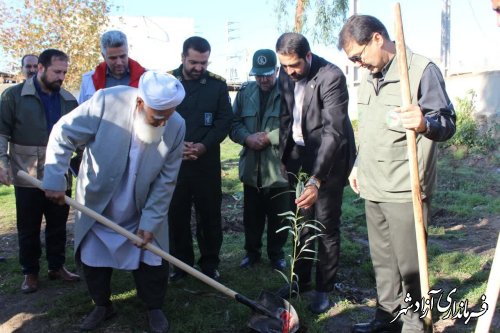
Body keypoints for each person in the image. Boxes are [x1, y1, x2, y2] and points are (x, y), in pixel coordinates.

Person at [42, 71, 186, 333]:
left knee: (151, 255)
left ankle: (154, 308)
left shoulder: (176, 124)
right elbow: (63, 132)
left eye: (169, 115)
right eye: (158, 117)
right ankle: (102, 305)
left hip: (143, 205)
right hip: (98, 203)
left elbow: (167, 179)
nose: (164, 123)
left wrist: (151, 220)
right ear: (140, 103)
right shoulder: (107, 102)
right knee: (93, 257)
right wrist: (54, 176)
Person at [338, 15, 456, 332]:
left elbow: (447, 124)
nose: (358, 64)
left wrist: (425, 123)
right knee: (383, 263)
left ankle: (415, 322)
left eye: (358, 56)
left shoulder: (419, 71)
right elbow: (371, 128)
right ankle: (387, 318)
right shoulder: (367, 78)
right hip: (373, 186)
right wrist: (358, 163)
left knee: (410, 265)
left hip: (406, 189)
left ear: (378, 38)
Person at [275, 32, 356, 314]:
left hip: (329, 159)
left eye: (294, 65)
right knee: (301, 221)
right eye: (284, 66)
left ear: (308, 56)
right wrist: (284, 155)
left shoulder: (331, 77)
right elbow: (286, 116)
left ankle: (324, 287)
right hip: (298, 156)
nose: (289, 72)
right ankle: (301, 280)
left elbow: (334, 132)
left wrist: (316, 179)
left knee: (324, 224)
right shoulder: (284, 74)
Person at [0, 49, 80, 293]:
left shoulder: (68, 100)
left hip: (59, 174)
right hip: (27, 176)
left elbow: (80, 138)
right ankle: (30, 273)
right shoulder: (13, 96)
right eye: (57, 71)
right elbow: (1, 131)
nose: (61, 77)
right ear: (41, 68)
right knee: (28, 227)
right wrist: (2, 162)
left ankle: (57, 266)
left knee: (58, 224)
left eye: (64, 72)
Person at [167, 36, 233, 281]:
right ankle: (181, 265)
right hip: (175, 163)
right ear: (183, 57)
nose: (198, 68)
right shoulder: (167, 82)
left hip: (206, 163)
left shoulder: (217, 86)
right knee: (177, 215)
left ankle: (210, 264)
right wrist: (176, 147)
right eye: (193, 62)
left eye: (203, 63)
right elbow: (156, 120)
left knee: (209, 215)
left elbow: (224, 120)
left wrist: (203, 146)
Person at [229, 49, 289, 271]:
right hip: (252, 167)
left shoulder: (288, 92)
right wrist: (246, 138)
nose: (263, 79)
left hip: (278, 168)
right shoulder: (245, 93)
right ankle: (251, 253)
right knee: (251, 216)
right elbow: (233, 123)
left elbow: (296, 126)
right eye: (259, 75)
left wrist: (269, 138)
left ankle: (277, 255)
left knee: (278, 217)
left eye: (267, 74)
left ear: (276, 70)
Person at [78, 30, 146, 104]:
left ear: (127, 52)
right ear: (103, 56)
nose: (119, 62)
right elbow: (82, 113)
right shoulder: (88, 80)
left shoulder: (146, 79)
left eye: (122, 56)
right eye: (113, 58)